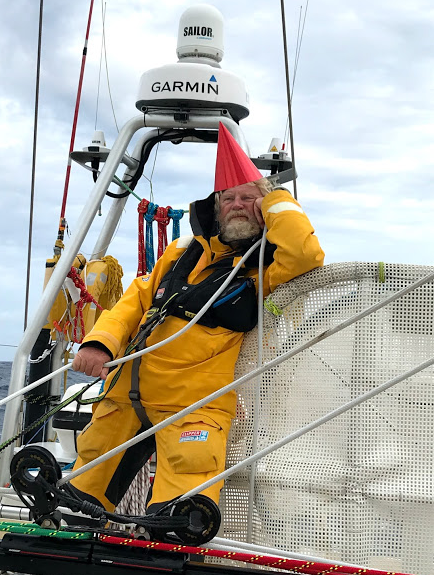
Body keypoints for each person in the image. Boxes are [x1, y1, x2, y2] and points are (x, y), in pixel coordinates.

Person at [69, 123, 325, 516]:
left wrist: (274, 198)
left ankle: (170, 532)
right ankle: (71, 526)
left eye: (249, 198)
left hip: (194, 404)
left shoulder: (266, 268)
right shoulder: (180, 252)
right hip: (125, 390)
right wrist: (99, 343)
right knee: (80, 492)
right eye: (229, 198)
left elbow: (306, 255)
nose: (237, 204)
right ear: (216, 208)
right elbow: (134, 301)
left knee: (182, 506)